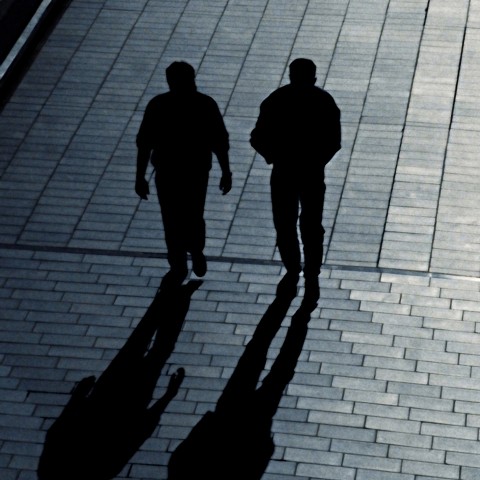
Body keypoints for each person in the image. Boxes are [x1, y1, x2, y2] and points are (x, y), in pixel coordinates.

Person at [250, 58, 341, 306]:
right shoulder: (324, 102)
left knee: (284, 221)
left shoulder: (276, 100)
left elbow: (257, 137)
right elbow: (334, 141)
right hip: (311, 172)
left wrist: (274, 156)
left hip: (283, 171)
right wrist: (318, 161)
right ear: (313, 76)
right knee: (312, 222)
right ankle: (312, 268)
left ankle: (292, 266)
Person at [136, 61, 232, 286]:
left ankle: (178, 261)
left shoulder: (158, 104)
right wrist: (225, 170)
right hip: (196, 170)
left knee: (171, 217)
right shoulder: (205, 104)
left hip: (167, 171)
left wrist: (140, 176)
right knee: (194, 213)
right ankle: (196, 249)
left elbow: (144, 143)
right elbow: (220, 141)